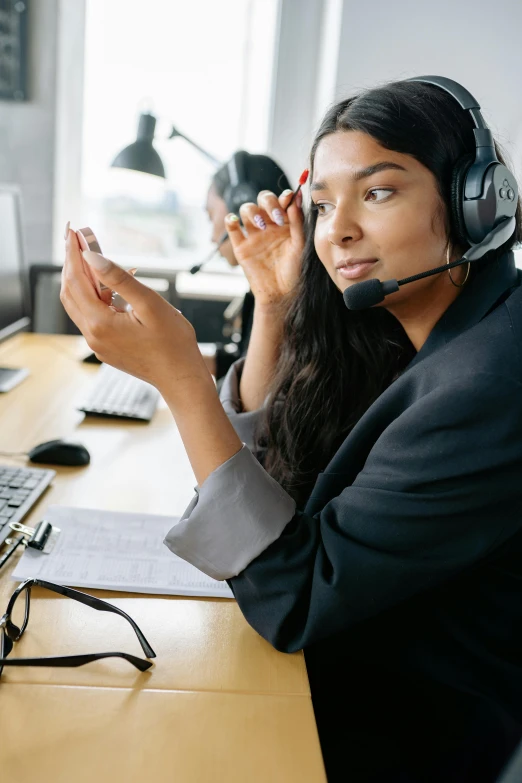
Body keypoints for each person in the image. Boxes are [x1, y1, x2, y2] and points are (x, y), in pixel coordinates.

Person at [61, 76, 522, 782]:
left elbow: (295, 592)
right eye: (323, 202)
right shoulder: (431, 328)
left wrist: (182, 379)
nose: (336, 230)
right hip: (352, 673)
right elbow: (284, 485)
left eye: (378, 192)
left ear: (475, 201)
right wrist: (273, 305)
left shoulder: (489, 381)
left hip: (407, 723)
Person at [203, 151, 291, 380]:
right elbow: (249, 365)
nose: (213, 237)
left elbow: (258, 395)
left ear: (240, 206)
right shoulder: (259, 291)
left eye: (211, 215)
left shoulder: (286, 296)